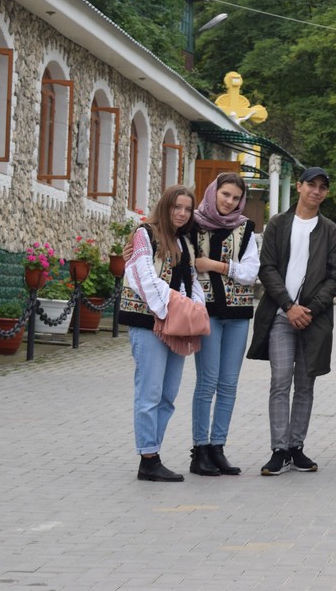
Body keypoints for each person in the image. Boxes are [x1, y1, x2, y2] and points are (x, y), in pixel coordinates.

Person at [248, 167, 336, 475]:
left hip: (313, 319)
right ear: (299, 187)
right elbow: (267, 268)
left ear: (326, 193)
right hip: (280, 316)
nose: (316, 191)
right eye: (311, 185)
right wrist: (289, 306)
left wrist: (309, 310)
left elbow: (335, 278)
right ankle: (278, 449)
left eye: (322, 187)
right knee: (280, 381)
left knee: (305, 383)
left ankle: (296, 447)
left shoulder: (331, 230)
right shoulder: (278, 224)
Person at [121, 185, 205, 482]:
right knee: (150, 391)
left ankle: (153, 451)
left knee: (168, 394)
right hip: (149, 320)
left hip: (175, 323)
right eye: (176, 207)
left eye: (187, 208)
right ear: (165, 206)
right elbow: (142, 275)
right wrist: (172, 307)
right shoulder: (145, 234)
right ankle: (148, 457)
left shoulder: (186, 241)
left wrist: (195, 309)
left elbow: (191, 279)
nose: (182, 213)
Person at [188, 173, 260, 477]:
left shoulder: (244, 229)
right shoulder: (192, 224)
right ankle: (199, 450)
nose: (229, 202)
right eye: (225, 194)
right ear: (213, 192)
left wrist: (215, 266)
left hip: (237, 314)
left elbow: (250, 273)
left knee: (228, 384)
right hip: (206, 313)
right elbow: (186, 266)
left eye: (235, 198)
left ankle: (218, 448)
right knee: (207, 382)